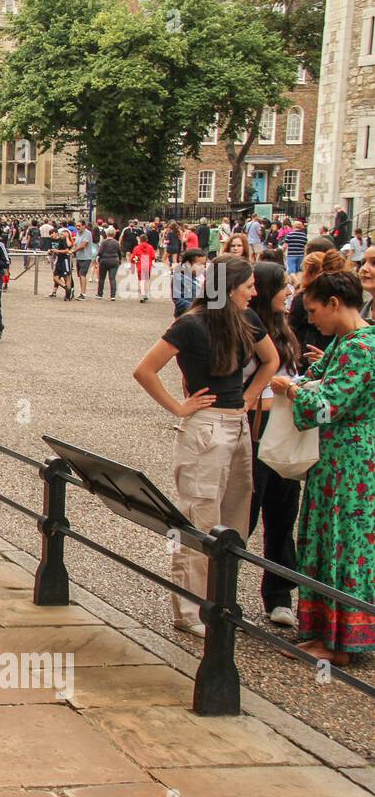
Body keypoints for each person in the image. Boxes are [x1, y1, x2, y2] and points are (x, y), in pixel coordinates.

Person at [132, 255, 279, 636]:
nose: (254, 292)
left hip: (238, 423)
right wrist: (179, 407)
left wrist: (249, 398)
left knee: (235, 516)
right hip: (206, 426)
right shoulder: (191, 324)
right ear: (230, 288)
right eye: (248, 285)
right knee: (200, 516)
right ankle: (188, 609)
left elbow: (271, 361)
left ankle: (220, 599)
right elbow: (145, 370)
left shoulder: (248, 319)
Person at [268, 253, 374, 664]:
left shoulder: (362, 346)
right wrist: (303, 382)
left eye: (313, 311)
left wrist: (291, 391)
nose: (311, 320)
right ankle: (323, 633)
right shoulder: (347, 342)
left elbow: (327, 403)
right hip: (333, 458)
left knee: (344, 543)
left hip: (352, 460)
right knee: (322, 536)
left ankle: (342, 642)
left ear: (334, 303)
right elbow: (318, 380)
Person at [246, 260, 303, 628]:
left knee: (283, 517)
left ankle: (279, 595)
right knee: (243, 517)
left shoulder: (286, 328)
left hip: (284, 432)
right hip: (255, 431)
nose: (290, 291)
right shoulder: (245, 328)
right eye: (283, 285)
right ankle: (218, 595)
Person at [171, 247, 206, 318]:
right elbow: (178, 300)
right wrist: (197, 307)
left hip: (200, 316)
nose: (203, 267)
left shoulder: (203, 277)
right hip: (184, 316)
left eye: (204, 264)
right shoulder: (178, 277)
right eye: (199, 264)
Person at [96, 226, 121, 299]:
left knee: (101, 278)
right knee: (112, 278)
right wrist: (119, 260)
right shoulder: (116, 242)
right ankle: (113, 295)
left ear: (106, 233)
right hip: (114, 260)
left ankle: (100, 294)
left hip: (104, 260)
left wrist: (98, 257)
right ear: (114, 234)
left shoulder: (104, 242)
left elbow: (100, 252)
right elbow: (119, 252)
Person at [131, 235, 156, 302]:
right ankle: (146, 294)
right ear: (147, 240)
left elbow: (133, 257)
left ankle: (142, 294)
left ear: (140, 240)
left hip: (140, 264)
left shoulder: (136, 248)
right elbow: (153, 256)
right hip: (147, 264)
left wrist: (135, 262)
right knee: (146, 280)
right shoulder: (150, 247)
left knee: (141, 280)